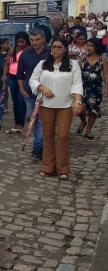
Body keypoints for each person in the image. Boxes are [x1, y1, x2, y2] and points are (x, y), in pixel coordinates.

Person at [29, 37, 83, 179]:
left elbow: (77, 84)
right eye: (54, 47)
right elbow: (33, 80)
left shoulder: (73, 65)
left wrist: (77, 102)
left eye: (59, 47)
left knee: (63, 136)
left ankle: (63, 168)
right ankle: (48, 166)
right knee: (47, 136)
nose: (56, 50)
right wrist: (42, 88)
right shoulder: (43, 64)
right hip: (46, 105)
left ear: (65, 49)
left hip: (65, 105)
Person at [17, 27, 51, 160]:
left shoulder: (51, 52)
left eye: (37, 40)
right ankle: (39, 145)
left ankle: (38, 146)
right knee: (34, 120)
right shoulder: (25, 54)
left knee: (43, 120)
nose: (34, 42)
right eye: (32, 40)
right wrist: (21, 88)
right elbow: (20, 74)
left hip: (47, 91)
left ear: (43, 39)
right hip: (29, 91)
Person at [77, 38, 108, 139]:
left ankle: (88, 131)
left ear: (96, 47)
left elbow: (105, 74)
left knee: (93, 110)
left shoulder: (102, 59)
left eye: (91, 46)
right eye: (88, 45)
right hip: (83, 88)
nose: (88, 48)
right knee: (80, 109)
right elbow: (76, 74)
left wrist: (106, 87)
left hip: (96, 88)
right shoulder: (83, 59)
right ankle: (83, 122)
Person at [2, 32, 30, 133]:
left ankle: (20, 124)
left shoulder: (29, 51)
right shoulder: (12, 50)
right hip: (12, 77)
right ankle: (16, 122)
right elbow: (7, 64)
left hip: (24, 78)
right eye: (18, 42)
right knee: (15, 101)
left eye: (22, 42)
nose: (20, 44)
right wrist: (5, 75)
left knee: (21, 101)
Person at [0, 37, 11, 113]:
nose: (8, 45)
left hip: (8, 73)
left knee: (5, 88)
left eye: (9, 44)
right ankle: (2, 102)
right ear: (1, 45)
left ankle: (5, 105)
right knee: (1, 88)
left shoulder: (10, 53)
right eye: (6, 44)